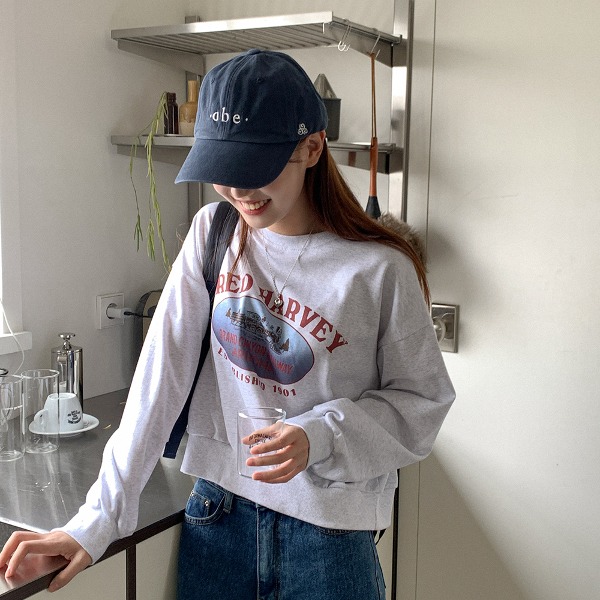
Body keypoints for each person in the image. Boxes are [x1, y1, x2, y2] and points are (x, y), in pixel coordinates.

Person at [0, 49, 454, 599]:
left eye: (255, 169)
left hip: (330, 538)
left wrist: (319, 435)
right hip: (218, 518)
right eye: (223, 169)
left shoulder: (380, 268)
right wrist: (96, 522)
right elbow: (159, 381)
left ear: (312, 147)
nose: (238, 191)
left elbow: (422, 403)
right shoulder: (214, 232)